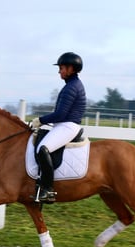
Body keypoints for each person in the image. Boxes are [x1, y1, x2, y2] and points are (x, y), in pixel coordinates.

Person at [30, 52, 87, 203]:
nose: (59, 71)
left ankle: (47, 189)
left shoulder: (71, 87)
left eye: (62, 68)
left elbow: (61, 114)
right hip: (63, 124)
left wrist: (40, 120)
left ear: (71, 69)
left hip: (67, 125)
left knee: (43, 148)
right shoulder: (71, 85)